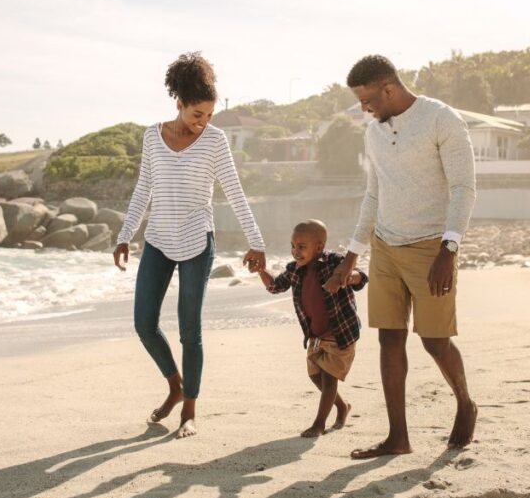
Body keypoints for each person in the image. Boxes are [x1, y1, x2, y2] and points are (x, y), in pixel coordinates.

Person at [324, 55, 478, 458]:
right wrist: (352, 255)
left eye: (367, 100)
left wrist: (449, 248)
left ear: (388, 89)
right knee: (389, 339)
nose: (364, 109)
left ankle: (465, 402)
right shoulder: (374, 133)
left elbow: (463, 187)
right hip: (386, 247)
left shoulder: (442, 119)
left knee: (435, 342)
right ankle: (398, 437)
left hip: (432, 248)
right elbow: (374, 194)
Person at [113, 52, 266, 439]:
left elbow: (234, 192)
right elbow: (143, 189)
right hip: (159, 241)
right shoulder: (153, 135)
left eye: (209, 115)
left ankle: (190, 411)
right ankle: (175, 386)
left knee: (189, 330)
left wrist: (256, 242)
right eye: (197, 114)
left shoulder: (214, 141)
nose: (204, 123)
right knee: (144, 323)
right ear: (178, 103)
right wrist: (124, 235)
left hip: (198, 241)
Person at [255, 220, 367, 438]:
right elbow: (274, 286)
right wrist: (261, 270)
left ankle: (319, 424)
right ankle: (343, 407)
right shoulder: (295, 270)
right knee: (316, 376)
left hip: (340, 334)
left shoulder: (335, 262)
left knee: (329, 378)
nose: (295, 251)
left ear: (319, 247)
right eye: (293, 246)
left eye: (302, 247)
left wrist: (346, 277)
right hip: (315, 336)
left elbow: (361, 277)